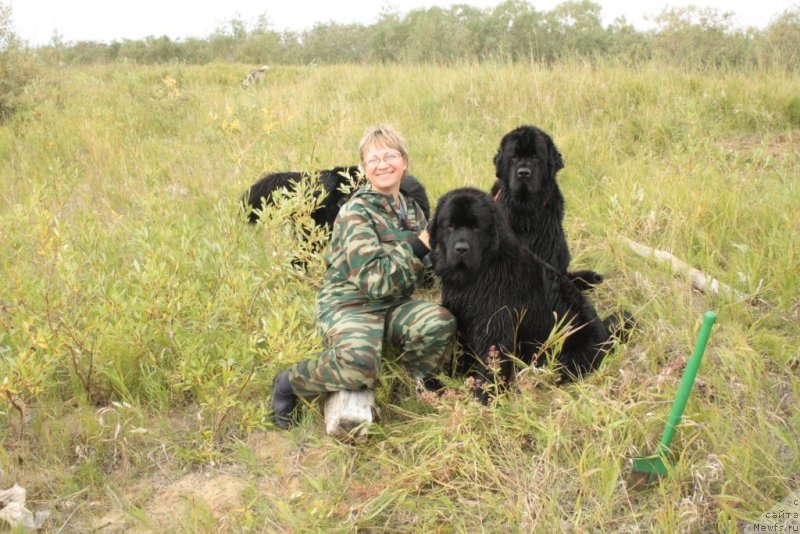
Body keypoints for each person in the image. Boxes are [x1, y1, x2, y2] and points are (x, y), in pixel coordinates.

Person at [271, 125, 456, 429]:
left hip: (393, 304)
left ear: (404, 161)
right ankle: (289, 383)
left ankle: (418, 383)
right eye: (374, 159)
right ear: (364, 168)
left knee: (439, 322)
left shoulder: (411, 210)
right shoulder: (355, 212)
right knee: (360, 368)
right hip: (350, 305)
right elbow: (375, 280)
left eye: (390, 156)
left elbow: (430, 267)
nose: (383, 164)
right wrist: (420, 244)